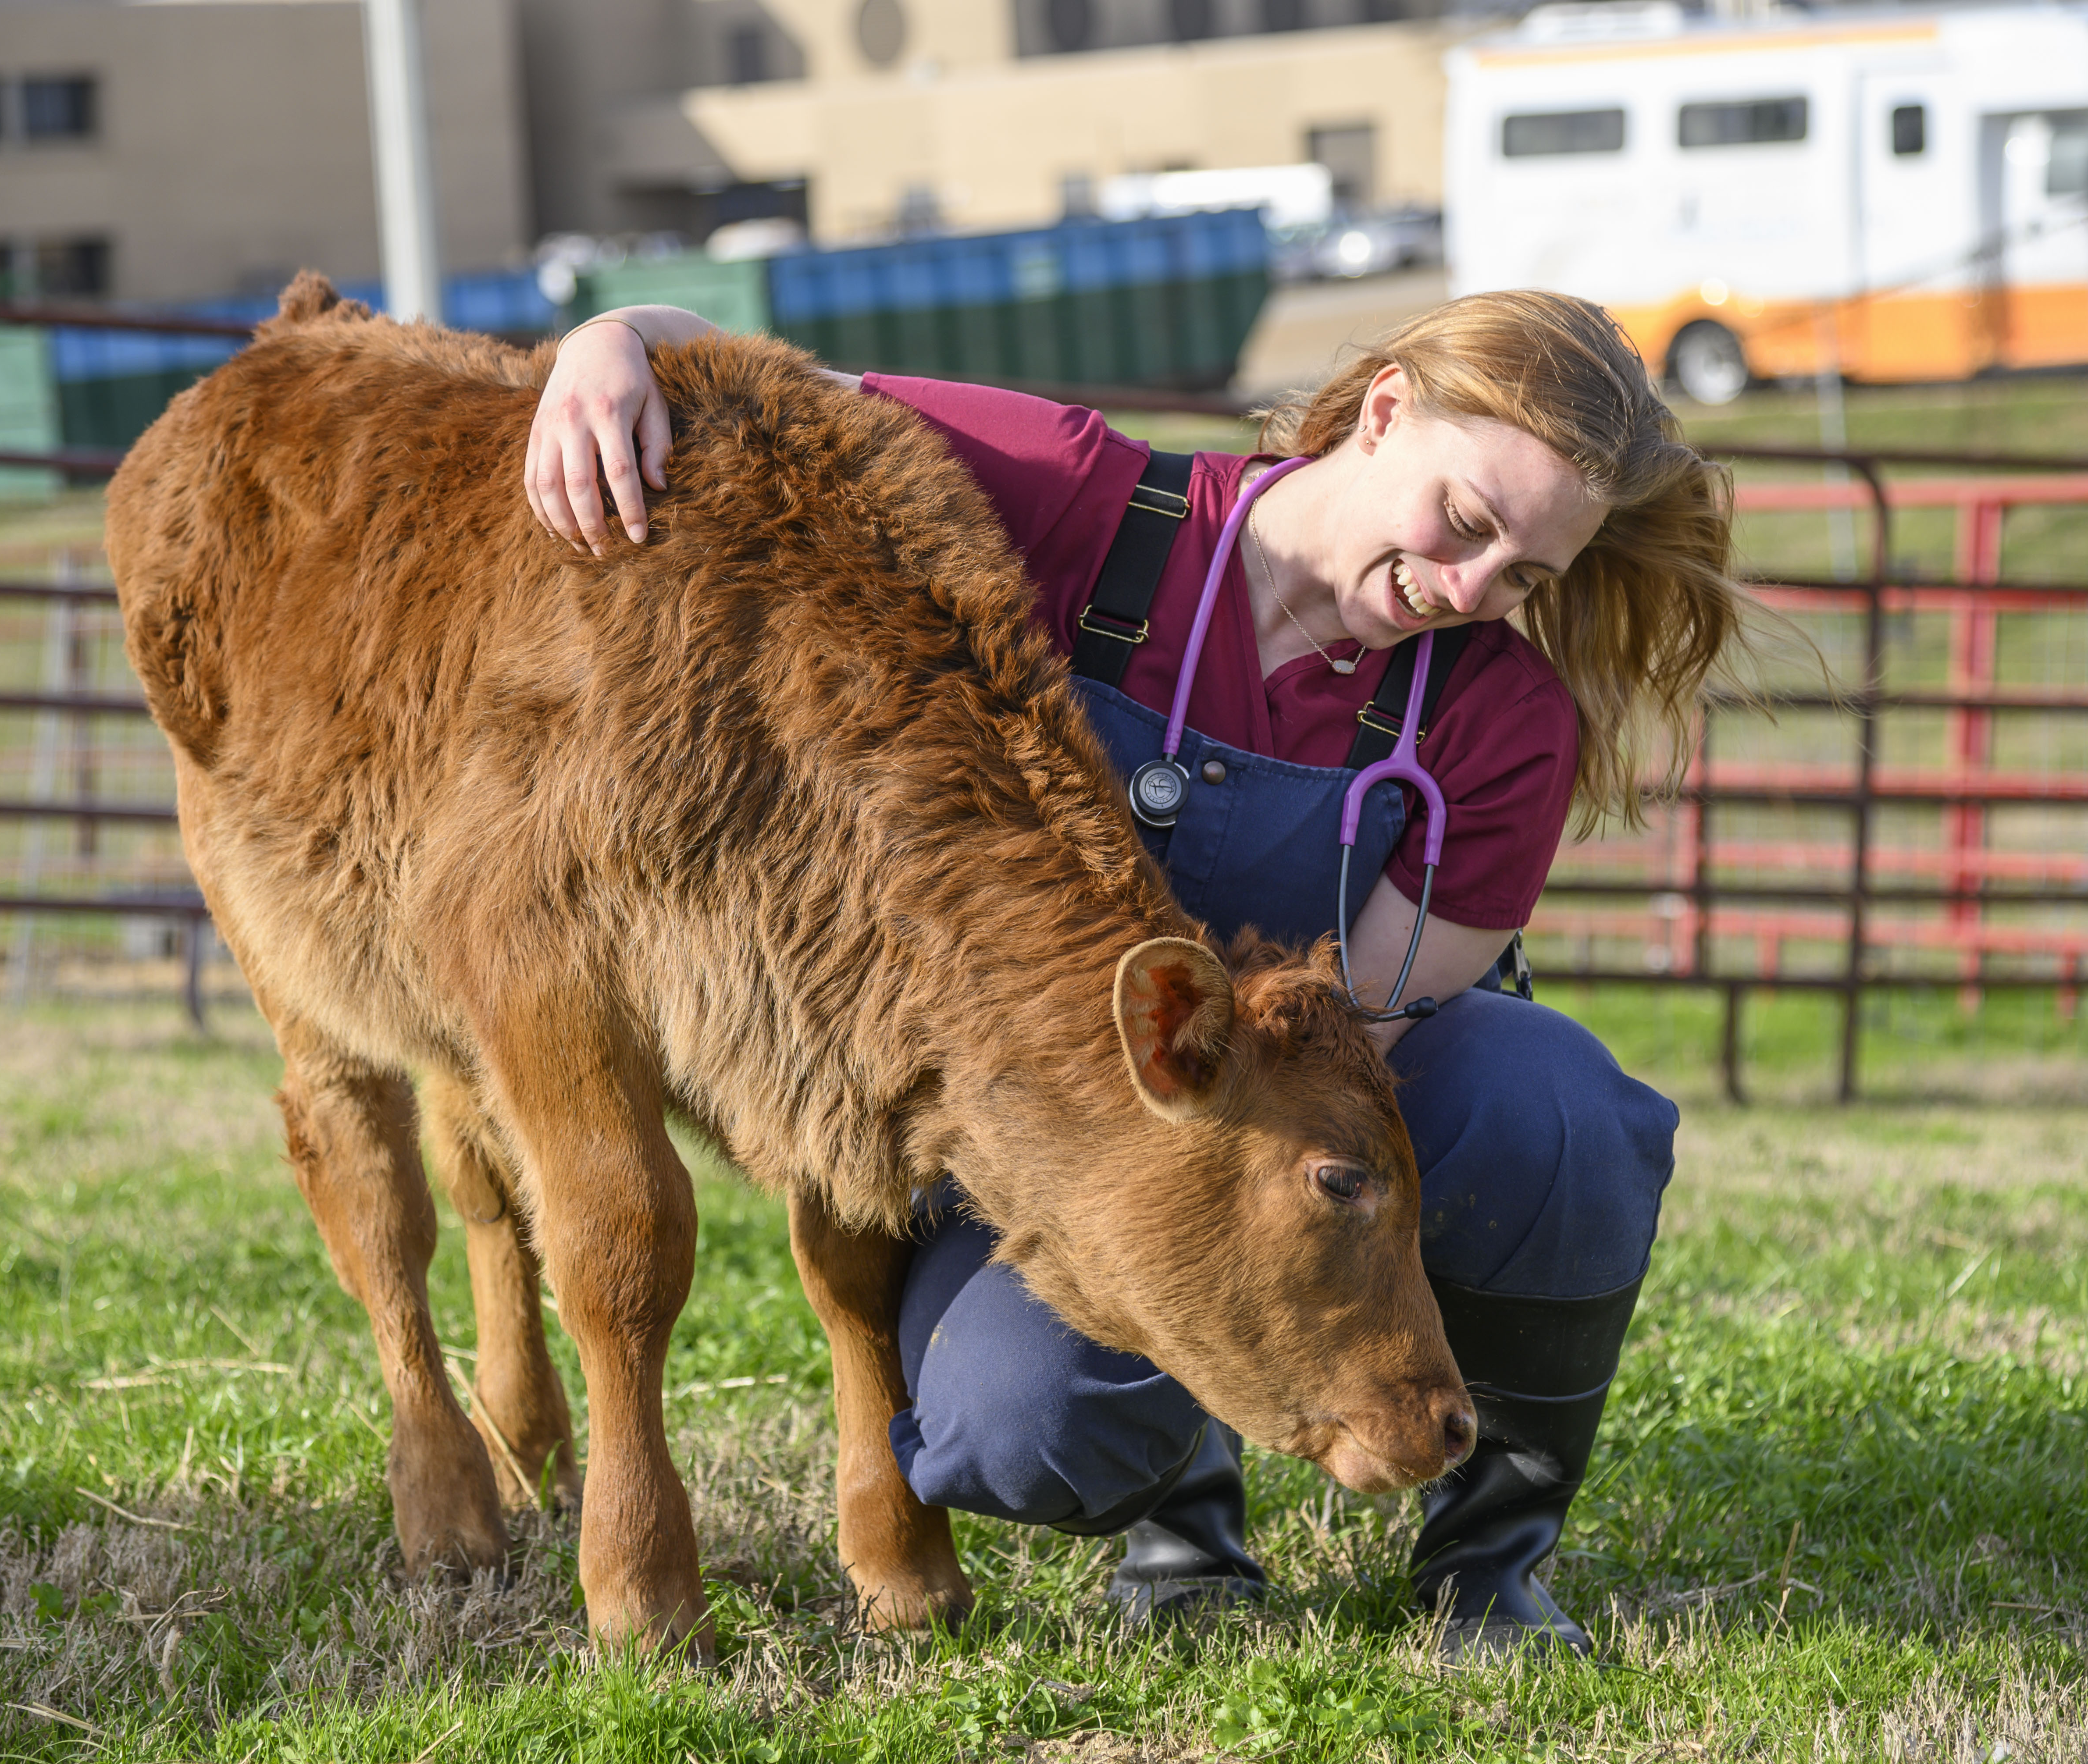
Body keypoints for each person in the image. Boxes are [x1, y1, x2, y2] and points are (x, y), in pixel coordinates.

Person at [522, 292, 1746, 1655]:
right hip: (1047, 1123)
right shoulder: (1078, 500)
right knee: (1015, 1424)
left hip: (1292, 1117)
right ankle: (1185, 1517)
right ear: (1388, 413)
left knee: (1555, 1108)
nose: (1469, 590)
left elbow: (1362, 1053)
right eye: (1466, 522)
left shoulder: (1499, 723)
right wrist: (607, 346)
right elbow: (761, 383)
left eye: (1524, 575)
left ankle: (1493, 1567)